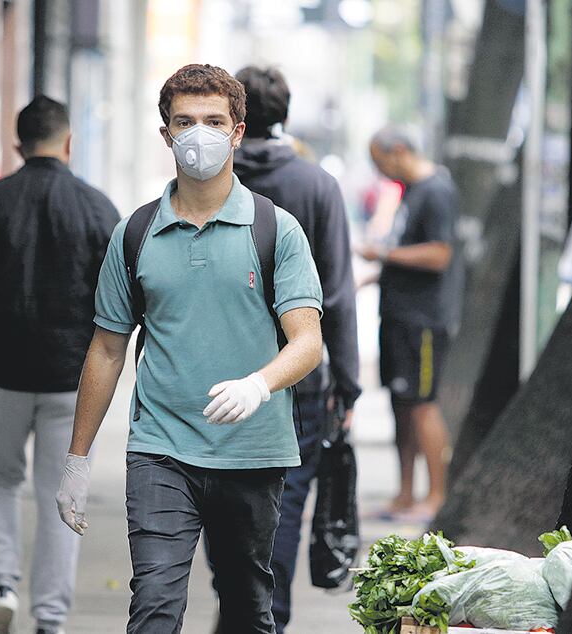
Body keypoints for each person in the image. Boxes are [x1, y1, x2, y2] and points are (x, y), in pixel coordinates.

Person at [55, 64, 324, 633]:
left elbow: (307, 342)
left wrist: (259, 384)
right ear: (166, 134)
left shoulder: (276, 230)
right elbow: (106, 349)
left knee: (247, 608)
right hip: (161, 448)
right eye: (184, 121)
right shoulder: (135, 233)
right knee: (154, 601)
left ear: (238, 132)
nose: (199, 133)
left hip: (251, 452)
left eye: (213, 121)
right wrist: (77, 458)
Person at [0, 95, 119, 634]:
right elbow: (119, 299)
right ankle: (51, 617)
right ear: (69, 142)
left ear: (18, 145)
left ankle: (2, 585)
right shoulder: (96, 208)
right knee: (61, 495)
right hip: (73, 380)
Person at [227, 65, 361, 633]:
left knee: (218, 502)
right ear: (284, 112)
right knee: (283, 506)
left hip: (216, 372)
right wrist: (346, 382)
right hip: (297, 375)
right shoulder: (316, 185)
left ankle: (241, 608)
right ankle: (265, 618)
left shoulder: (213, 179)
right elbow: (338, 292)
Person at [358, 125, 462, 521]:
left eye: (380, 161)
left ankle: (435, 497)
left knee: (422, 406)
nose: (380, 171)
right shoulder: (411, 190)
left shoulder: (436, 190)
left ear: (399, 150)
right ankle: (404, 494)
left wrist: (383, 255)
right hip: (397, 315)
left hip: (424, 320)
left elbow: (439, 255)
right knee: (400, 405)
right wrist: (375, 275)